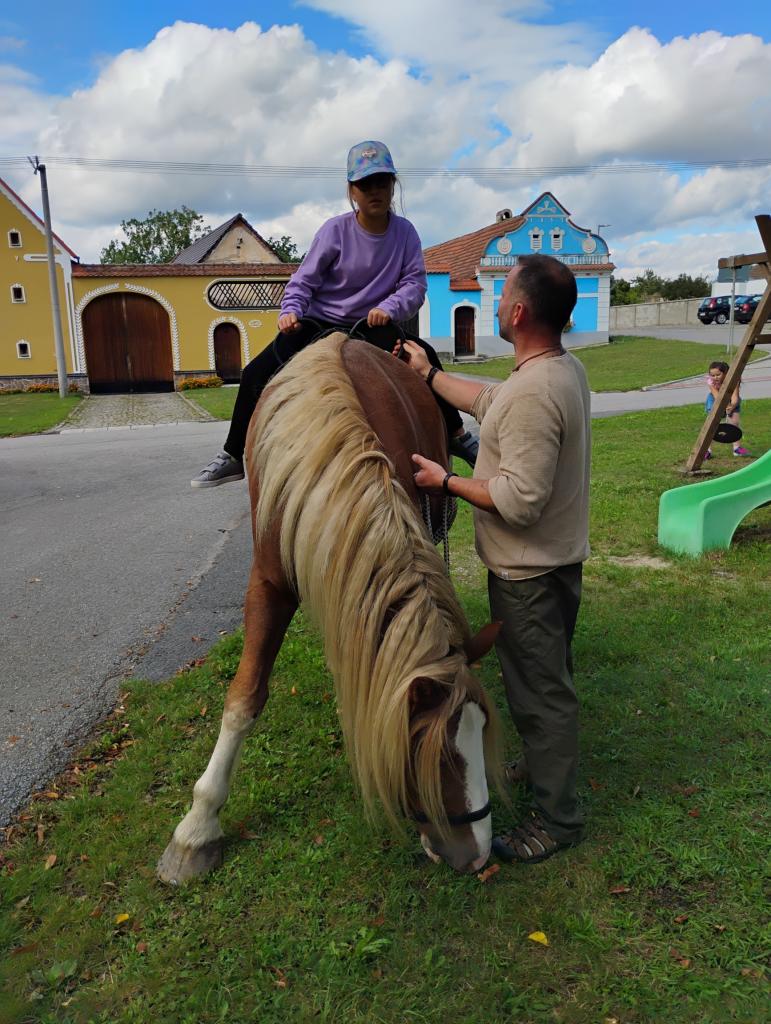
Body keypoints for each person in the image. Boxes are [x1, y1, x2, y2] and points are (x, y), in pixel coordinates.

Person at [402, 254, 590, 864]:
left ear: (519, 312)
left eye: (501, 294)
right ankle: (542, 765)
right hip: (553, 564)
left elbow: (519, 501)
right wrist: (431, 376)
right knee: (544, 678)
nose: (495, 303)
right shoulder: (558, 370)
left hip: (528, 575)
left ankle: (558, 821)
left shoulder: (534, 392)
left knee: (541, 697)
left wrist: (446, 481)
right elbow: (491, 401)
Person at [191, 140, 478, 487]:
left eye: (382, 182)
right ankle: (233, 453)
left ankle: (457, 434)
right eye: (365, 184)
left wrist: (388, 308)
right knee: (255, 372)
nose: (374, 191)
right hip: (320, 322)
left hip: (372, 323)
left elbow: (415, 284)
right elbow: (304, 280)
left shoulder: (405, 233)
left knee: (426, 356)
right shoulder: (335, 230)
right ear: (352, 191)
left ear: (393, 185)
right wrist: (291, 310)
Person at [704, 360, 751, 459]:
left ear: (726, 373)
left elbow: (735, 397)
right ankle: (707, 450)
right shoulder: (710, 381)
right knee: (711, 425)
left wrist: (732, 406)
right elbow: (717, 396)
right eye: (713, 375)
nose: (715, 377)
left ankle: (737, 449)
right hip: (715, 399)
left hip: (731, 399)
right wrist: (724, 406)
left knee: (734, 423)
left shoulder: (734, 380)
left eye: (718, 375)